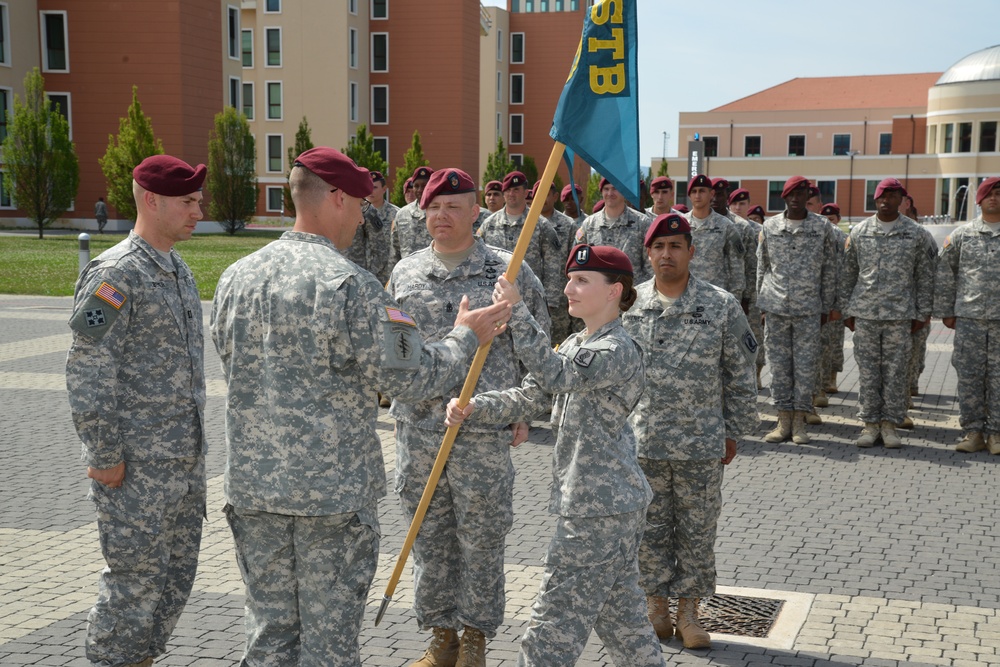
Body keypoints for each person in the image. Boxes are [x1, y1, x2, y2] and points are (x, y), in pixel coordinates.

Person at [209, 148, 512, 666]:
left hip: (254, 491)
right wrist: (464, 336)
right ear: (337, 199)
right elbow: (413, 378)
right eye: (360, 208)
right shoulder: (348, 284)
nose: (364, 219)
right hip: (331, 496)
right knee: (327, 644)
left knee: (268, 636)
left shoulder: (235, 276)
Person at [445, 245, 664, 667]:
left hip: (597, 510)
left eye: (583, 280)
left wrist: (518, 311)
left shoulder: (616, 348)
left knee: (551, 630)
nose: (569, 288)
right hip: (603, 506)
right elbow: (533, 394)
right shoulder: (579, 343)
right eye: (569, 279)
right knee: (625, 624)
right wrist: (475, 406)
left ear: (614, 291)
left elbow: (557, 375)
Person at [388, 168, 548, 666]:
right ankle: (441, 637)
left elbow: (537, 347)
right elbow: (395, 352)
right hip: (421, 431)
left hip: (482, 431)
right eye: (433, 207)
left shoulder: (507, 271)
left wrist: (525, 411)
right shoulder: (406, 272)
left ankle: (476, 638)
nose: (440, 215)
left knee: (482, 539)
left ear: (476, 212)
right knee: (428, 537)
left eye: (453, 207)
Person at [66, 155, 209, 667]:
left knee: (173, 581)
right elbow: (87, 369)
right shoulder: (115, 275)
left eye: (198, 201)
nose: (199, 210)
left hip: (181, 467)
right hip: (135, 470)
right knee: (132, 586)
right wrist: (104, 452)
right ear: (152, 200)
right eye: (188, 202)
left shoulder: (177, 269)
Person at [622, 214, 758, 649]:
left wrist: (733, 430)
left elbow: (740, 372)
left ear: (691, 252)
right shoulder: (629, 303)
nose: (667, 254)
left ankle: (689, 612)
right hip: (642, 443)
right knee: (649, 530)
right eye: (659, 246)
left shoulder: (720, 305)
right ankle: (656, 607)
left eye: (676, 246)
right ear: (648, 253)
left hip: (701, 444)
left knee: (698, 531)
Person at [839, 178, 936, 448]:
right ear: (875, 198)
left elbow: (926, 276)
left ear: (902, 200)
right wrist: (847, 309)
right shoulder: (859, 232)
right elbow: (847, 273)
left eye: (893, 196)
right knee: (869, 372)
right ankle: (870, 424)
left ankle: (891, 424)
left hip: (899, 315)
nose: (886, 200)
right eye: (882, 195)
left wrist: (923, 313)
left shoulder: (916, 233)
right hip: (866, 314)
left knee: (896, 372)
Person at [757, 176, 839, 444]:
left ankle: (800, 424)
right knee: (780, 368)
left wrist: (827, 306)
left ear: (808, 196)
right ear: (784, 197)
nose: (795, 198)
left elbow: (829, 269)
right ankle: (782, 421)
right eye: (791, 193)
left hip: (808, 309)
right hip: (776, 307)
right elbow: (763, 265)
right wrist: (762, 302)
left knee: (805, 367)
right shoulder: (770, 227)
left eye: (801, 193)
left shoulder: (821, 227)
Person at [934, 176, 1000, 454]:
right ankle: (973, 431)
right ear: (979, 199)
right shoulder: (962, 235)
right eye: (989, 194)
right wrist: (946, 311)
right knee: (970, 376)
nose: (994, 199)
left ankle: (996, 433)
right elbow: (944, 273)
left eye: (999, 194)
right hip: (970, 319)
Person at [478, 170, 563, 340]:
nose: (511, 194)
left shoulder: (540, 225)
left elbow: (552, 264)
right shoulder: (489, 225)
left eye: (516, 189)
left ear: (526, 192)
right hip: (495, 298)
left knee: (533, 342)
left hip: (530, 298)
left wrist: (550, 302)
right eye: (508, 190)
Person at [575, 177, 653, 283]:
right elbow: (579, 261)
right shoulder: (589, 224)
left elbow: (650, 267)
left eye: (614, 188)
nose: (610, 193)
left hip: (632, 295)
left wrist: (639, 293)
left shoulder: (643, 223)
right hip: (598, 294)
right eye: (606, 189)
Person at [682, 174, 744, 298]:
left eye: (702, 191)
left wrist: (736, 298)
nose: (698, 195)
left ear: (711, 194)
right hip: (685, 294)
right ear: (689, 196)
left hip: (716, 298)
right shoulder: (681, 225)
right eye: (694, 191)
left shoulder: (726, 226)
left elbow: (737, 267)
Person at [814, 204, 849, 404]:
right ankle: (819, 385)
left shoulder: (841, 237)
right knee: (820, 346)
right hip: (814, 300)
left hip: (834, 299)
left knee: (833, 344)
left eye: (832, 217)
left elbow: (846, 271)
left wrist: (840, 303)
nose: (828, 220)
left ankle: (830, 379)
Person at [537, 179, 577, 343]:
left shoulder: (568, 224)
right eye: (539, 194)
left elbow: (574, 263)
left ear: (555, 196)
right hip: (531, 297)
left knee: (560, 345)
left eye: (546, 194)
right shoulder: (525, 224)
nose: (542, 198)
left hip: (560, 300)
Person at [343, 169, 397, 284]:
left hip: (376, 274)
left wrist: (368, 275)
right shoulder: (346, 208)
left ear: (384, 189)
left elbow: (381, 249)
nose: (370, 191)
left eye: (375, 187)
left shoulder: (371, 211)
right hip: (349, 271)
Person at [390, 166, 434, 274]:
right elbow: (394, 250)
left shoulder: (439, 212)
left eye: (424, 185)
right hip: (407, 275)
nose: (420, 190)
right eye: (416, 186)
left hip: (434, 275)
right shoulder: (402, 214)